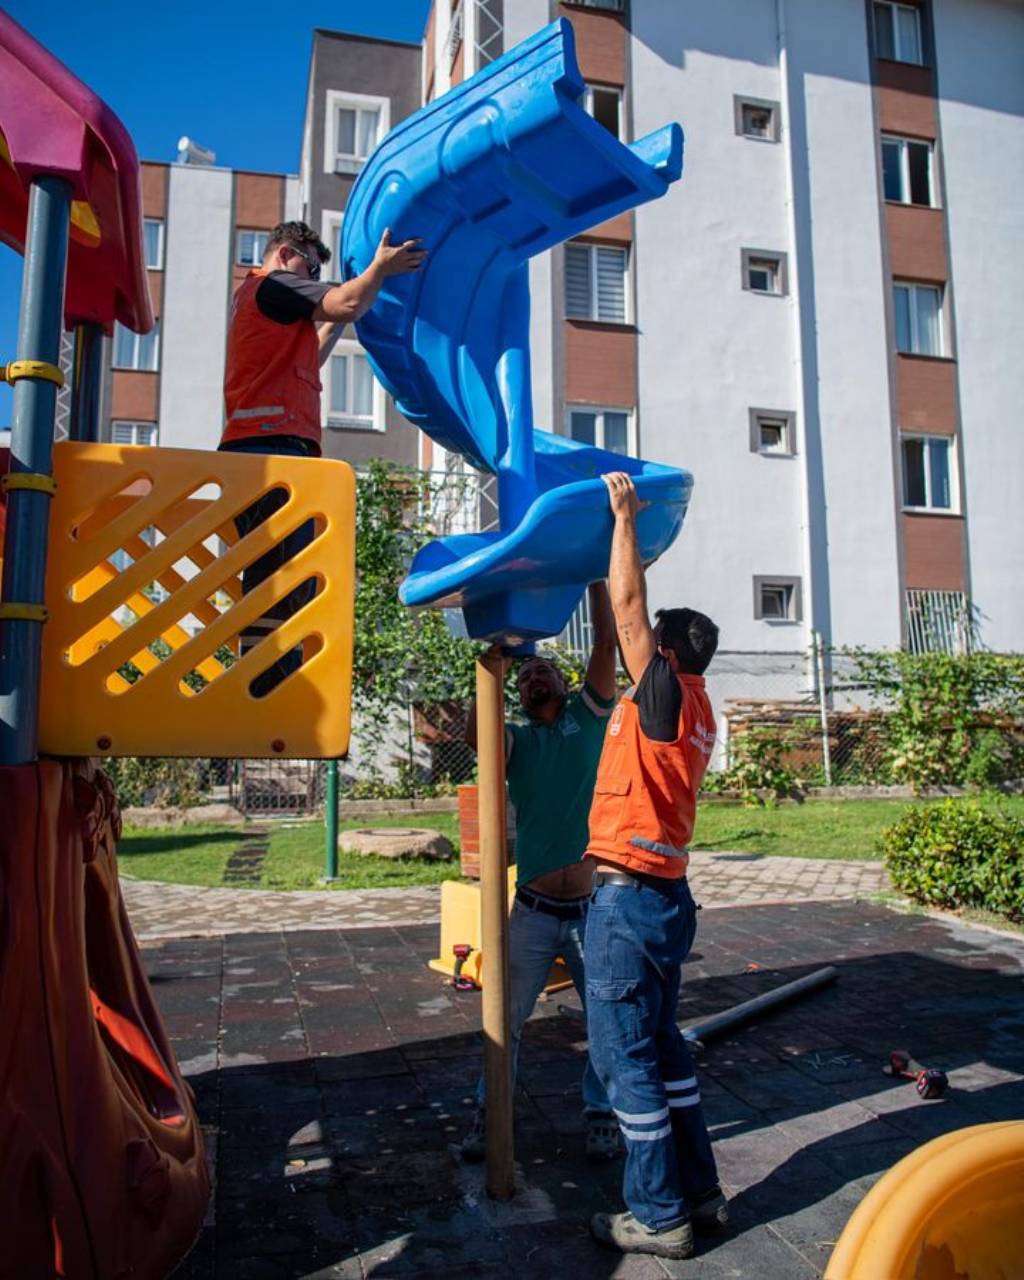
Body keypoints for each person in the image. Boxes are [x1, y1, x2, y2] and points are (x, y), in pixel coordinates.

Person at [584, 472, 727, 1261]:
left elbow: (627, 604)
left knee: (624, 1059)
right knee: (666, 1052)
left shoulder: (664, 691)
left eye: (653, 640)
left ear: (666, 655)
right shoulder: (695, 705)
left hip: (631, 902)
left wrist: (624, 517)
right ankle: (701, 1194)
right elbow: (635, 621)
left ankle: (658, 1213)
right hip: (667, 898)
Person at [219, 220, 425, 696]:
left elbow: (317, 343)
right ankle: (269, 682)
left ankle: (267, 678)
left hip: (259, 447)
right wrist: (380, 269)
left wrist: (353, 304)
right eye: (311, 268)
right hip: (271, 449)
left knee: (278, 572)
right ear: (288, 255)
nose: (312, 277)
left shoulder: (261, 305)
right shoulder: (272, 283)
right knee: (289, 573)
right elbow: (346, 302)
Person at [461, 583, 621, 1164]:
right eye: (526, 681)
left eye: (541, 673)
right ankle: (489, 1114)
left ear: (560, 681)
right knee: (505, 1016)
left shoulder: (588, 715)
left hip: (590, 908)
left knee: (605, 1014)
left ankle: (601, 1113)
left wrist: (599, 577)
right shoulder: (517, 743)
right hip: (531, 911)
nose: (533, 682)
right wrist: (497, 662)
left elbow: (606, 641)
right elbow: (480, 734)